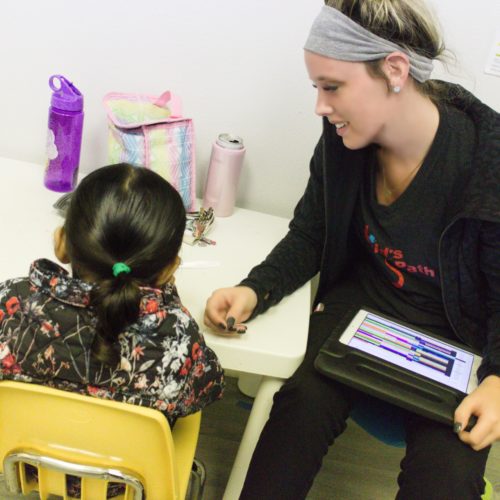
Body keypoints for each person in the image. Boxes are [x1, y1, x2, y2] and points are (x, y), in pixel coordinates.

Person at [204, 0, 500, 498]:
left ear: (394, 71)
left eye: (332, 87)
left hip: (456, 338)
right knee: (299, 407)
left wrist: (497, 382)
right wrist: (255, 289)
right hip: (359, 312)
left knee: (449, 477)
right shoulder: (343, 140)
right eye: (316, 88)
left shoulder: (486, 164)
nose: (320, 106)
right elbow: (311, 234)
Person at [0, 163, 225, 425]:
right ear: (168, 271)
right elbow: (207, 389)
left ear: (61, 243)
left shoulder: (10, 303)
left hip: (24, 461)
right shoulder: (180, 334)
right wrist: (168, 300)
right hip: (126, 465)